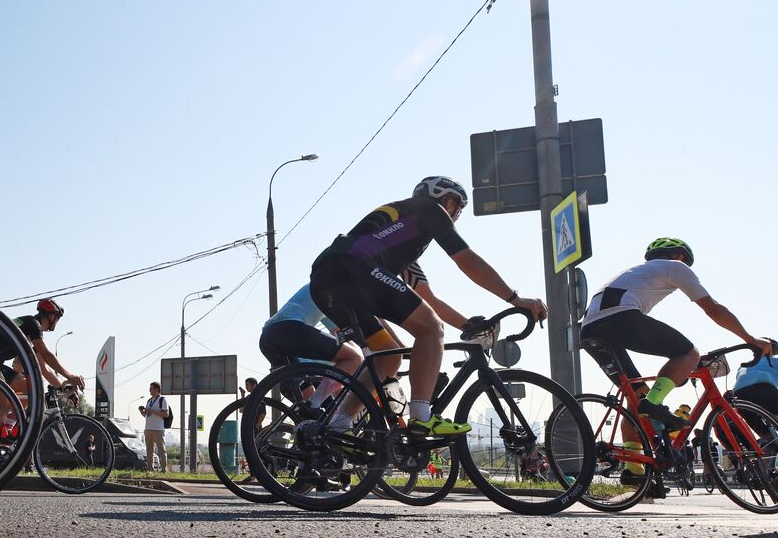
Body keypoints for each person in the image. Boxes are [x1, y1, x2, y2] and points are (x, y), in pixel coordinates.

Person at [309, 175, 547, 436]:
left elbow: (427, 299)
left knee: (390, 356)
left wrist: (468, 325)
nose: (456, 215)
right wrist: (515, 299)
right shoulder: (431, 210)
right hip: (355, 268)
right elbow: (467, 259)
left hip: (327, 280)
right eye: (458, 207)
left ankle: (335, 428)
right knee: (432, 329)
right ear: (446, 200)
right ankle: (422, 417)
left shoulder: (400, 239)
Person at [581, 238, 774, 433]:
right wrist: (751, 339)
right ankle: (654, 402)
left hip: (588, 331)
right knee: (689, 354)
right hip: (619, 319)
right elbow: (713, 309)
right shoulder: (675, 267)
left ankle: (633, 463)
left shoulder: (634, 273)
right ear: (681, 257)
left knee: (636, 397)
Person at [0, 299, 83, 468]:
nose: (57, 323)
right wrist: (69, 375)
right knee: (4, 404)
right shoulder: (32, 324)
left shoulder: (30, 332)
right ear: (51, 316)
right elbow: (47, 354)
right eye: (57, 319)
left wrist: (64, 389)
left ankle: (6, 429)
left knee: (32, 387)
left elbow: (44, 369)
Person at [138, 381, 171, 471]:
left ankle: (164, 469)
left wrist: (153, 411)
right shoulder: (149, 400)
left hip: (158, 429)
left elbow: (166, 414)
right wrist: (142, 411)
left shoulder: (162, 399)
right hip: (148, 428)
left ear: (157, 389)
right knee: (149, 451)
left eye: (151, 389)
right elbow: (146, 415)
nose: (149, 391)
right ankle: (150, 469)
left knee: (161, 450)